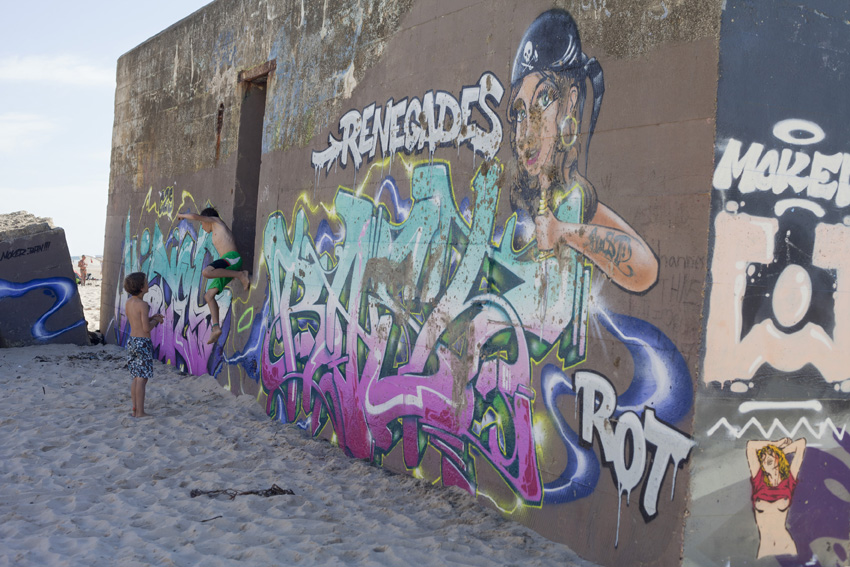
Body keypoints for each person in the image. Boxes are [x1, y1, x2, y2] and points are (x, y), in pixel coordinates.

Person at [508, 9, 658, 293]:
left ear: (570, 103)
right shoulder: (515, 199)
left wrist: (561, 232)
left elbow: (645, 268)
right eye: (520, 112)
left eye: (543, 100)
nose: (526, 132)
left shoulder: (574, 200)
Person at [176, 207, 250, 344]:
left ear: (207, 219)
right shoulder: (214, 232)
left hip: (233, 258)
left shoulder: (217, 222)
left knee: (207, 272)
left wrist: (182, 215)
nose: (202, 226)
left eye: (202, 223)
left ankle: (241, 274)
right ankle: (216, 328)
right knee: (208, 296)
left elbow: (195, 216)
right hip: (227, 264)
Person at [746, 437, 806, 558]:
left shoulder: (789, 480)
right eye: (763, 459)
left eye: (770, 456)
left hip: (786, 546)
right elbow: (750, 445)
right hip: (765, 547)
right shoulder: (758, 479)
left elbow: (801, 444)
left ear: (778, 459)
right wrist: (776, 444)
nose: (766, 459)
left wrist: (779, 452)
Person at [123, 272, 164, 418]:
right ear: (141, 288)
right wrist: (156, 321)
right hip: (143, 343)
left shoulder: (129, 302)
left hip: (132, 341)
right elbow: (146, 328)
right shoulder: (143, 304)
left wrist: (151, 317)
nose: (148, 284)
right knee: (142, 378)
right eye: (146, 283)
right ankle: (140, 412)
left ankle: (135, 410)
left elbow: (137, 320)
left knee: (136, 377)